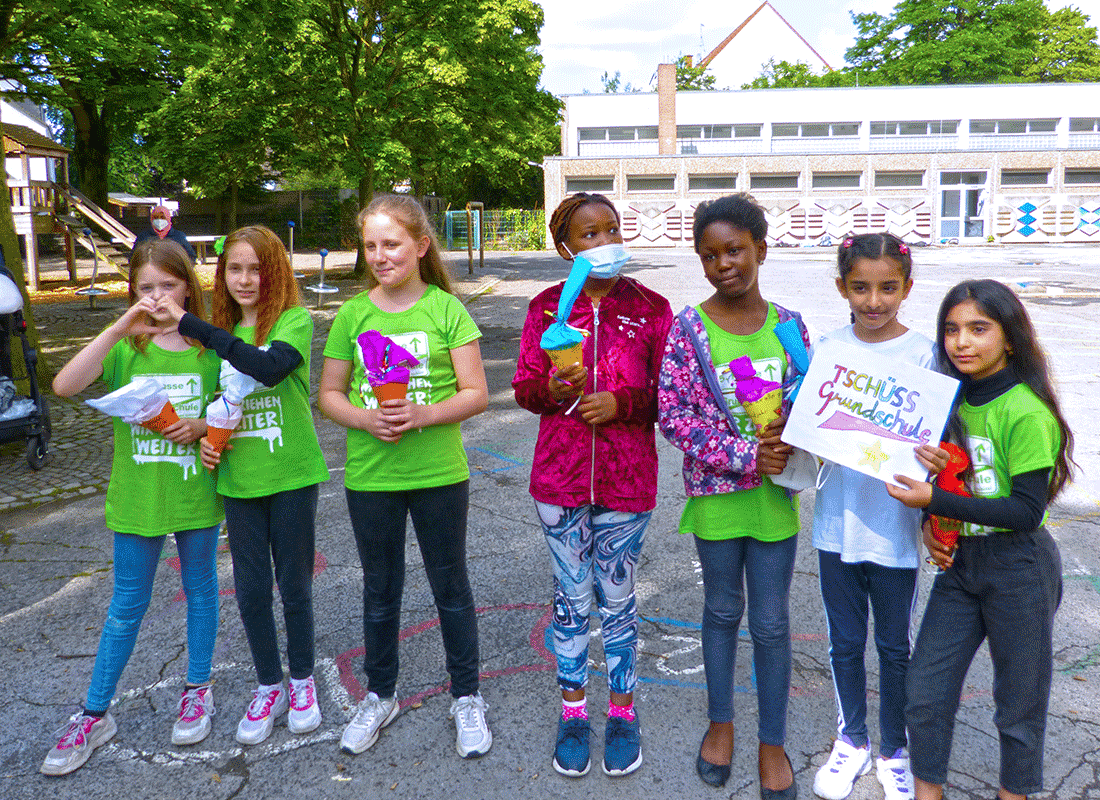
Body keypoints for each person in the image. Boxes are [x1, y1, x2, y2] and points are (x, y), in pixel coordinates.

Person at [318, 195, 492, 760]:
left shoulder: (446, 310)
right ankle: (381, 694)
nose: (379, 255)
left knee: (451, 587)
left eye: (391, 244)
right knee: (379, 590)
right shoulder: (352, 314)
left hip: (439, 472)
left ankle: (467, 696)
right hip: (371, 477)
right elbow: (329, 395)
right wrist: (367, 419)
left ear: (420, 246)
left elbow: (476, 394)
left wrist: (423, 415)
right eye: (370, 246)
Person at [887, 279, 1075, 800]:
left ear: (1009, 338)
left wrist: (933, 503)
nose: (961, 342)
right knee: (925, 692)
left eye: (978, 329)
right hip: (963, 564)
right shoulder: (944, 402)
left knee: (1018, 704)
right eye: (951, 329)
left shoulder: (1026, 411)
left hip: (1020, 567)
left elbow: (1025, 510)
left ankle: (1013, 793)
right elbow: (954, 484)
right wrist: (935, 526)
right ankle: (928, 792)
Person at [42, 239, 222, 775]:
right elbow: (64, 384)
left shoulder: (207, 348)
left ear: (187, 287)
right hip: (137, 497)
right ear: (133, 294)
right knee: (124, 609)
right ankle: (95, 714)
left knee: (201, 592)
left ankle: (198, 688)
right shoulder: (126, 347)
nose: (158, 297)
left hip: (195, 494)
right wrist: (121, 328)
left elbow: (227, 413)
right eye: (146, 288)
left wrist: (203, 427)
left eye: (168, 286)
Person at [512, 192, 673, 778]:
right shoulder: (546, 307)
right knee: (573, 598)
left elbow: (671, 396)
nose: (605, 243)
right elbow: (526, 390)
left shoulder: (652, 307)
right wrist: (555, 391)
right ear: (564, 247)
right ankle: (575, 711)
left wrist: (624, 401)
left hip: (628, 478)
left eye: (611, 230)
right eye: (589, 235)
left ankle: (624, 712)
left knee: (620, 596)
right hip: (558, 478)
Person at [657, 193, 807, 798]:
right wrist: (748, 454)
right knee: (721, 612)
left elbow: (816, 401)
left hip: (776, 501)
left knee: (770, 622)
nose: (724, 264)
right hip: (716, 499)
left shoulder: (790, 326)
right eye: (710, 254)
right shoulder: (688, 329)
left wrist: (791, 435)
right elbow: (675, 415)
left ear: (760, 251)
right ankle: (721, 723)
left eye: (736, 250)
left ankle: (772, 740)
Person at [159, 225, 330, 746]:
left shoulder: (293, 321)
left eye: (257, 268)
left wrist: (197, 326)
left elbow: (270, 367)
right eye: (235, 268)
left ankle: (302, 681)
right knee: (253, 590)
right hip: (239, 482)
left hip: (293, 476)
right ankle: (268, 685)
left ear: (276, 271)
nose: (245, 278)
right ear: (222, 274)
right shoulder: (216, 336)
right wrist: (208, 442)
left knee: (294, 585)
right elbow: (217, 406)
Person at [810, 233, 947, 800]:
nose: (874, 300)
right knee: (844, 644)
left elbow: (940, 443)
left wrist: (938, 465)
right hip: (835, 527)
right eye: (861, 287)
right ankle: (853, 740)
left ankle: (894, 748)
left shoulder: (925, 355)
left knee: (895, 647)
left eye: (888, 288)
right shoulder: (829, 348)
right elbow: (811, 433)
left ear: (907, 289)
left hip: (893, 533)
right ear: (842, 287)